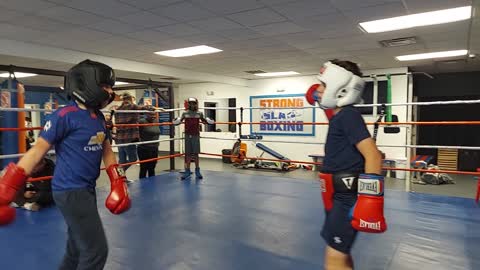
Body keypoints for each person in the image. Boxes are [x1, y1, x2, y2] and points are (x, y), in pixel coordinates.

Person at [0, 59, 131, 270]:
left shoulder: (98, 117)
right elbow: (37, 150)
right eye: (105, 86)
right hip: (70, 190)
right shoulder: (63, 116)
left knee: (76, 247)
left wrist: (117, 180)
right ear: (85, 83)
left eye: (110, 87)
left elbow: (106, 150)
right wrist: (9, 183)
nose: (109, 92)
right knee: (96, 251)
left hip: (86, 189)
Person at [305, 59, 386, 270]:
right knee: (341, 251)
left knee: (334, 256)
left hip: (346, 195)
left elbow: (374, 156)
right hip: (334, 192)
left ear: (340, 89)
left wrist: (370, 200)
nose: (319, 91)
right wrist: (317, 92)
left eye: (324, 86)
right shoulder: (339, 115)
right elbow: (319, 99)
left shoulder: (349, 115)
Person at [173, 97, 214, 180]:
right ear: (188, 104)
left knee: (195, 154)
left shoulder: (199, 113)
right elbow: (178, 122)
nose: (192, 104)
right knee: (187, 154)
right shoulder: (184, 113)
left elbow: (204, 122)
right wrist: (175, 121)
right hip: (187, 135)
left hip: (195, 135)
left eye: (193, 103)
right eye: (190, 103)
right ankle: (187, 171)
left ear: (196, 104)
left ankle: (197, 171)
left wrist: (209, 121)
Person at [114, 93, 153, 172]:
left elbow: (117, 124)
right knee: (133, 159)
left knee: (122, 160)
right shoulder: (133, 107)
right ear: (131, 99)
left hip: (119, 139)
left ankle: (122, 178)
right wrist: (151, 106)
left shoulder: (117, 110)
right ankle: (118, 173)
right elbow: (145, 108)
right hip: (129, 138)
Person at [137, 106, 160, 178]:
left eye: (154, 114)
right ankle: (142, 186)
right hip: (144, 148)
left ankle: (152, 186)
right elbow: (136, 132)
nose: (153, 116)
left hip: (154, 147)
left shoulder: (156, 121)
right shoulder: (142, 121)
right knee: (144, 168)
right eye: (151, 114)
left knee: (152, 168)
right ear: (146, 114)